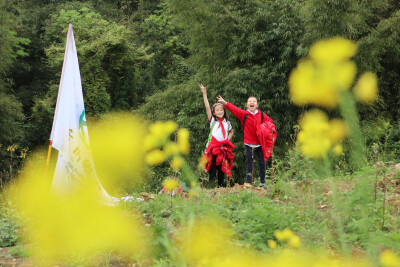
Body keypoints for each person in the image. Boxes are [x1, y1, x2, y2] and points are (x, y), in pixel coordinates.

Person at [216, 95, 273, 188]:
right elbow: (234, 109)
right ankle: (249, 183)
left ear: (257, 105)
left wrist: (264, 128)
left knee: (262, 163)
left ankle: (262, 183)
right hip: (248, 144)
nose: (252, 102)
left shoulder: (262, 115)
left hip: (260, 144)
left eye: (254, 101)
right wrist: (224, 103)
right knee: (249, 164)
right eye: (250, 101)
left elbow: (270, 122)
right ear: (247, 105)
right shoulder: (244, 114)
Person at [199, 84, 234, 187]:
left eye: (222, 110)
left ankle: (221, 185)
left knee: (222, 167)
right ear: (214, 113)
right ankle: (211, 185)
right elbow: (207, 108)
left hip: (223, 148)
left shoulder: (227, 123)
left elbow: (231, 131)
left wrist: (227, 140)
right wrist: (204, 94)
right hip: (213, 147)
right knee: (212, 166)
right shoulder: (213, 121)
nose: (220, 112)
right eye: (217, 110)